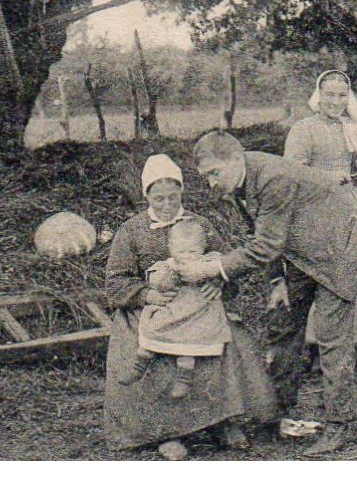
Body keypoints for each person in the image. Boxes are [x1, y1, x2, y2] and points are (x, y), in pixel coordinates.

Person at [193, 130, 357, 457]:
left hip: (342, 250)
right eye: (205, 176)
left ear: (235, 159)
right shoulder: (241, 181)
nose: (211, 182)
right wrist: (275, 282)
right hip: (305, 251)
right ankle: (275, 414)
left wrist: (216, 268)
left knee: (330, 336)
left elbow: (266, 244)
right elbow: (261, 232)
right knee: (283, 325)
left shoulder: (271, 177)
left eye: (214, 173)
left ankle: (340, 424)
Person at [103, 154, 278, 460]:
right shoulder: (132, 230)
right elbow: (115, 283)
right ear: (146, 196)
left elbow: (226, 264)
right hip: (157, 305)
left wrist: (218, 282)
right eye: (158, 199)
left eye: (173, 197)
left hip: (199, 305)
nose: (166, 204)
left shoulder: (200, 224)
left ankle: (220, 421)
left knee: (227, 337)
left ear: (182, 193)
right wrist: (147, 295)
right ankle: (167, 432)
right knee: (147, 347)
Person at [282, 70, 357, 345]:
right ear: (318, 96)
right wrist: (325, 179)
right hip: (314, 206)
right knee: (325, 268)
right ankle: (318, 340)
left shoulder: (348, 126)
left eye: (342, 96)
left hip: (349, 203)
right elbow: (292, 172)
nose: (336, 102)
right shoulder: (303, 129)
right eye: (330, 95)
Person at [120, 218, 233, 399]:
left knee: (189, 339)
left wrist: (213, 278)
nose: (187, 255)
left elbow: (225, 271)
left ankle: (184, 379)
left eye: (193, 250)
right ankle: (139, 366)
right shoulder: (168, 264)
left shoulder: (209, 261)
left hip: (198, 311)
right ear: (171, 248)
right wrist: (170, 276)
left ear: (203, 247)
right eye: (181, 251)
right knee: (154, 328)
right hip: (172, 308)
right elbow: (156, 283)